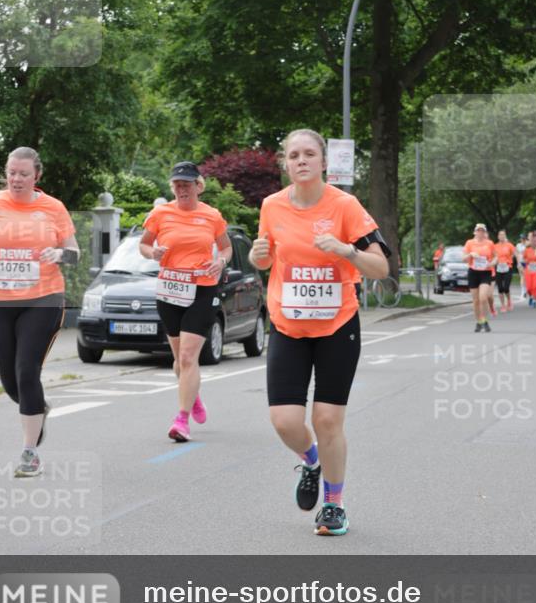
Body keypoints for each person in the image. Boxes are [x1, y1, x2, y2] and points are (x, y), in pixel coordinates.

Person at [249, 129, 389, 537]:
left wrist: (347, 251)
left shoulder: (346, 206)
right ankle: (312, 462)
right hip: (288, 326)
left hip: (337, 325)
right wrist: (260, 257)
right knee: (284, 422)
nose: (302, 160)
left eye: (310, 153)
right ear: (286, 164)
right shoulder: (271, 206)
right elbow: (266, 257)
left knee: (327, 419)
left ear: (323, 162)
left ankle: (334, 504)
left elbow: (380, 268)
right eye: (294, 155)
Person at [0, 147, 79, 477]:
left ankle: (29, 453)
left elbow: (74, 253)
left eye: (24, 174)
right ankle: (37, 407)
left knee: (27, 371)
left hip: (43, 299)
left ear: (36, 176)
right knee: (11, 381)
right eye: (12, 172)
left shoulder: (53, 208)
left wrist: (59, 253)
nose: (16, 179)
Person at [139, 162, 232, 442]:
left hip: (202, 288)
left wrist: (220, 261)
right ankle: (192, 395)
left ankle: (181, 420)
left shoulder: (212, 215)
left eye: (187, 184)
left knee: (190, 357)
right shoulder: (160, 213)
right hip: (171, 290)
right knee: (180, 361)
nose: (182, 189)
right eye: (177, 184)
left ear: (198, 186)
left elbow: (226, 248)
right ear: (173, 187)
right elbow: (143, 245)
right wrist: (152, 253)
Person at [462, 223, 496, 332]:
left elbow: (496, 257)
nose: (480, 233)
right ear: (475, 232)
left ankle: (485, 320)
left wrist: (492, 264)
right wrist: (471, 254)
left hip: (485, 272)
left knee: (483, 297)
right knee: (476, 300)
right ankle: (479, 321)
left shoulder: (490, 243)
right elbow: (463, 258)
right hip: (473, 272)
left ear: (485, 232)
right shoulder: (469, 243)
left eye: (482, 231)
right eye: (478, 230)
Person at [494, 230, 516, 313]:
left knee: (506, 287)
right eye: (500, 235)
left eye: (503, 235)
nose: (501, 236)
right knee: (500, 288)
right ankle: (503, 305)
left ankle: (509, 301)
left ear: (505, 236)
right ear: (498, 237)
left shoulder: (509, 245)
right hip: (498, 268)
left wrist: (512, 259)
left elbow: (515, 253)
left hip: (508, 267)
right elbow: (492, 256)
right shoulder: (495, 246)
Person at [523, 230, 536, 306]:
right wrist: (527, 261)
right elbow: (523, 259)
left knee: (535, 286)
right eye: (534, 240)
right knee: (529, 287)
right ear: (532, 240)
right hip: (529, 270)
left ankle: (534, 299)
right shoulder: (527, 249)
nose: (535, 242)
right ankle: (531, 296)